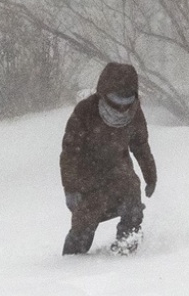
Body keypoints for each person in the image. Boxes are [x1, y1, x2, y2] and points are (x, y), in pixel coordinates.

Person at [59, 62, 157, 255]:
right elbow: (70, 152)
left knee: (132, 205)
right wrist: (70, 188)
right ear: (103, 94)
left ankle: (127, 246)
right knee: (84, 224)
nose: (121, 107)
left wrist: (150, 176)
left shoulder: (134, 112)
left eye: (126, 100)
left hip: (120, 172)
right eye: (115, 100)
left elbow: (140, 145)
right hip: (87, 177)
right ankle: (71, 263)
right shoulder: (85, 111)